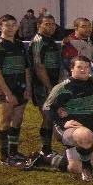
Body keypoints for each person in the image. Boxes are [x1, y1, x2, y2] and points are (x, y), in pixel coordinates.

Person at [41, 56, 93, 182]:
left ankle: (69, 155)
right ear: (71, 69)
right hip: (72, 131)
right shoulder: (63, 87)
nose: (83, 70)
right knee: (80, 165)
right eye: (79, 67)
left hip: (90, 129)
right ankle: (86, 169)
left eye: (87, 67)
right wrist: (63, 123)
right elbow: (47, 107)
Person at [0, 14, 31, 167]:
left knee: (18, 120)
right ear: (1, 27)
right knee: (5, 121)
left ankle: (13, 152)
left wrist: (28, 87)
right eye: (8, 25)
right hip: (5, 91)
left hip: (21, 88)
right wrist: (8, 93)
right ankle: (4, 156)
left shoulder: (20, 44)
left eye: (14, 24)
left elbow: (26, 68)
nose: (12, 27)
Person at [28, 14, 61, 161]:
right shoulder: (38, 41)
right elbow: (38, 66)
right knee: (47, 116)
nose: (51, 26)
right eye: (47, 24)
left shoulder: (50, 41)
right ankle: (45, 149)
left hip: (52, 85)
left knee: (51, 116)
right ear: (39, 26)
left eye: (53, 24)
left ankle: (48, 148)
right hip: (43, 87)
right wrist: (49, 86)